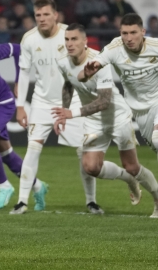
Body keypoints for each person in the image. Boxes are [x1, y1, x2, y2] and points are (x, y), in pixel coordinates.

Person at [52, 23, 141, 214]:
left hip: (110, 113)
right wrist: (63, 113)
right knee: (89, 164)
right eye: (66, 39)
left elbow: (105, 101)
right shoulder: (61, 61)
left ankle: (128, 183)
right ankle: (101, 195)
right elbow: (68, 84)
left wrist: (71, 113)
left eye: (74, 39)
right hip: (85, 112)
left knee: (131, 164)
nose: (69, 43)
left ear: (85, 41)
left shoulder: (98, 62)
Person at [13, 0, 90, 215]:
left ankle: (91, 201)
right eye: (38, 15)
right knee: (32, 148)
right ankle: (22, 201)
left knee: (83, 152)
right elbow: (25, 72)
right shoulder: (28, 39)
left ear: (56, 15)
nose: (42, 19)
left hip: (71, 100)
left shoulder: (69, 35)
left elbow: (86, 61)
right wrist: (21, 106)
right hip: (41, 102)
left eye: (46, 14)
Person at [81, 13, 158, 218]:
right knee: (144, 156)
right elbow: (94, 65)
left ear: (143, 32)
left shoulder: (155, 46)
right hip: (140, 112)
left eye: (134, 32)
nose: (129, 37)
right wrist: (89, 70)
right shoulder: (115, 49)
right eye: (125, 33)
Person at [0, 42, 47, 209]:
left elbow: (18, 49)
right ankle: (38, 186)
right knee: (6, 154)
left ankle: (4, 186)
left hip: (1, 102)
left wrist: (18, 81)